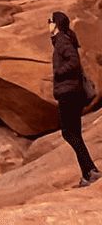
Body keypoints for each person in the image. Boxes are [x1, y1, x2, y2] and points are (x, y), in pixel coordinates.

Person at [50, 10, 101, 187]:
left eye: (50, 22)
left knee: (68, 133)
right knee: (74, 134)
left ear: (55, 24)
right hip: (72, 92)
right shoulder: (64, 39)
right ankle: (89, 173)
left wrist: (58, 72)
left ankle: (90, 172)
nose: (48, 25)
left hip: (69, 94)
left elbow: (74, 62)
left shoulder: (62, 40)